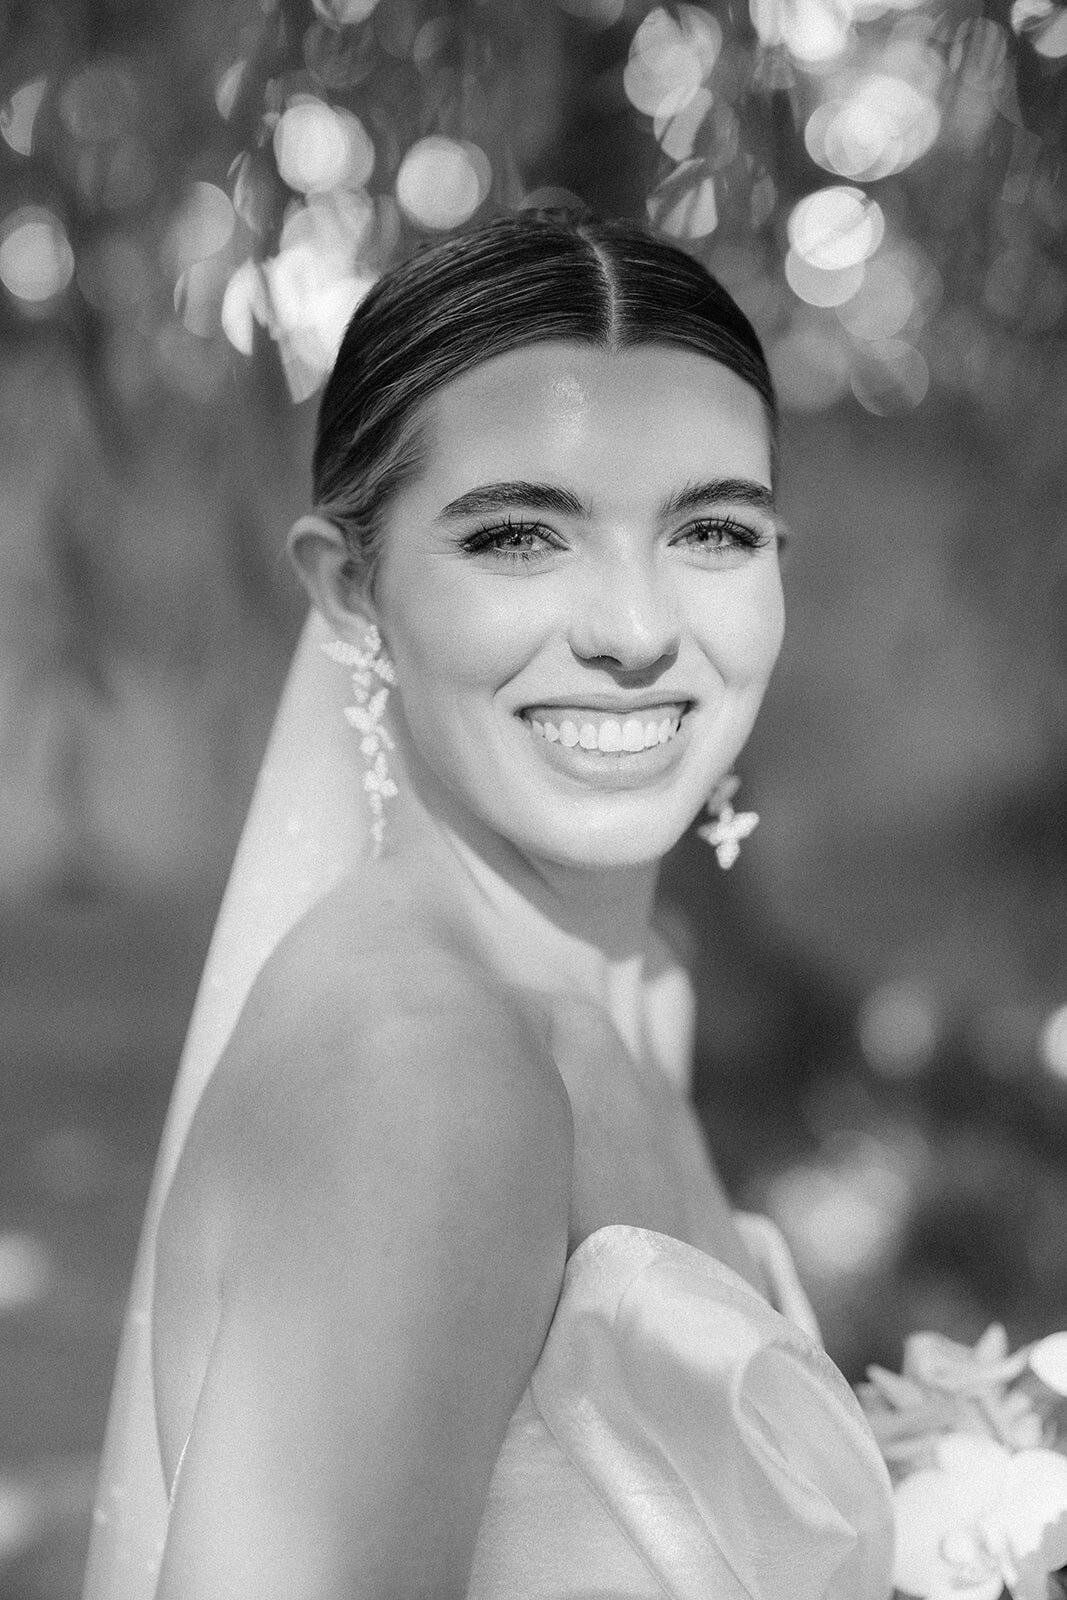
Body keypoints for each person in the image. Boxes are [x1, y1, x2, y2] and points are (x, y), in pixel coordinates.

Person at [84, 212, 894, 1600]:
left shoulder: (636, 988)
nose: (636, 632)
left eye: (712, 528)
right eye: (521, 535)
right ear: (352, 592)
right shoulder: (420, 1076)